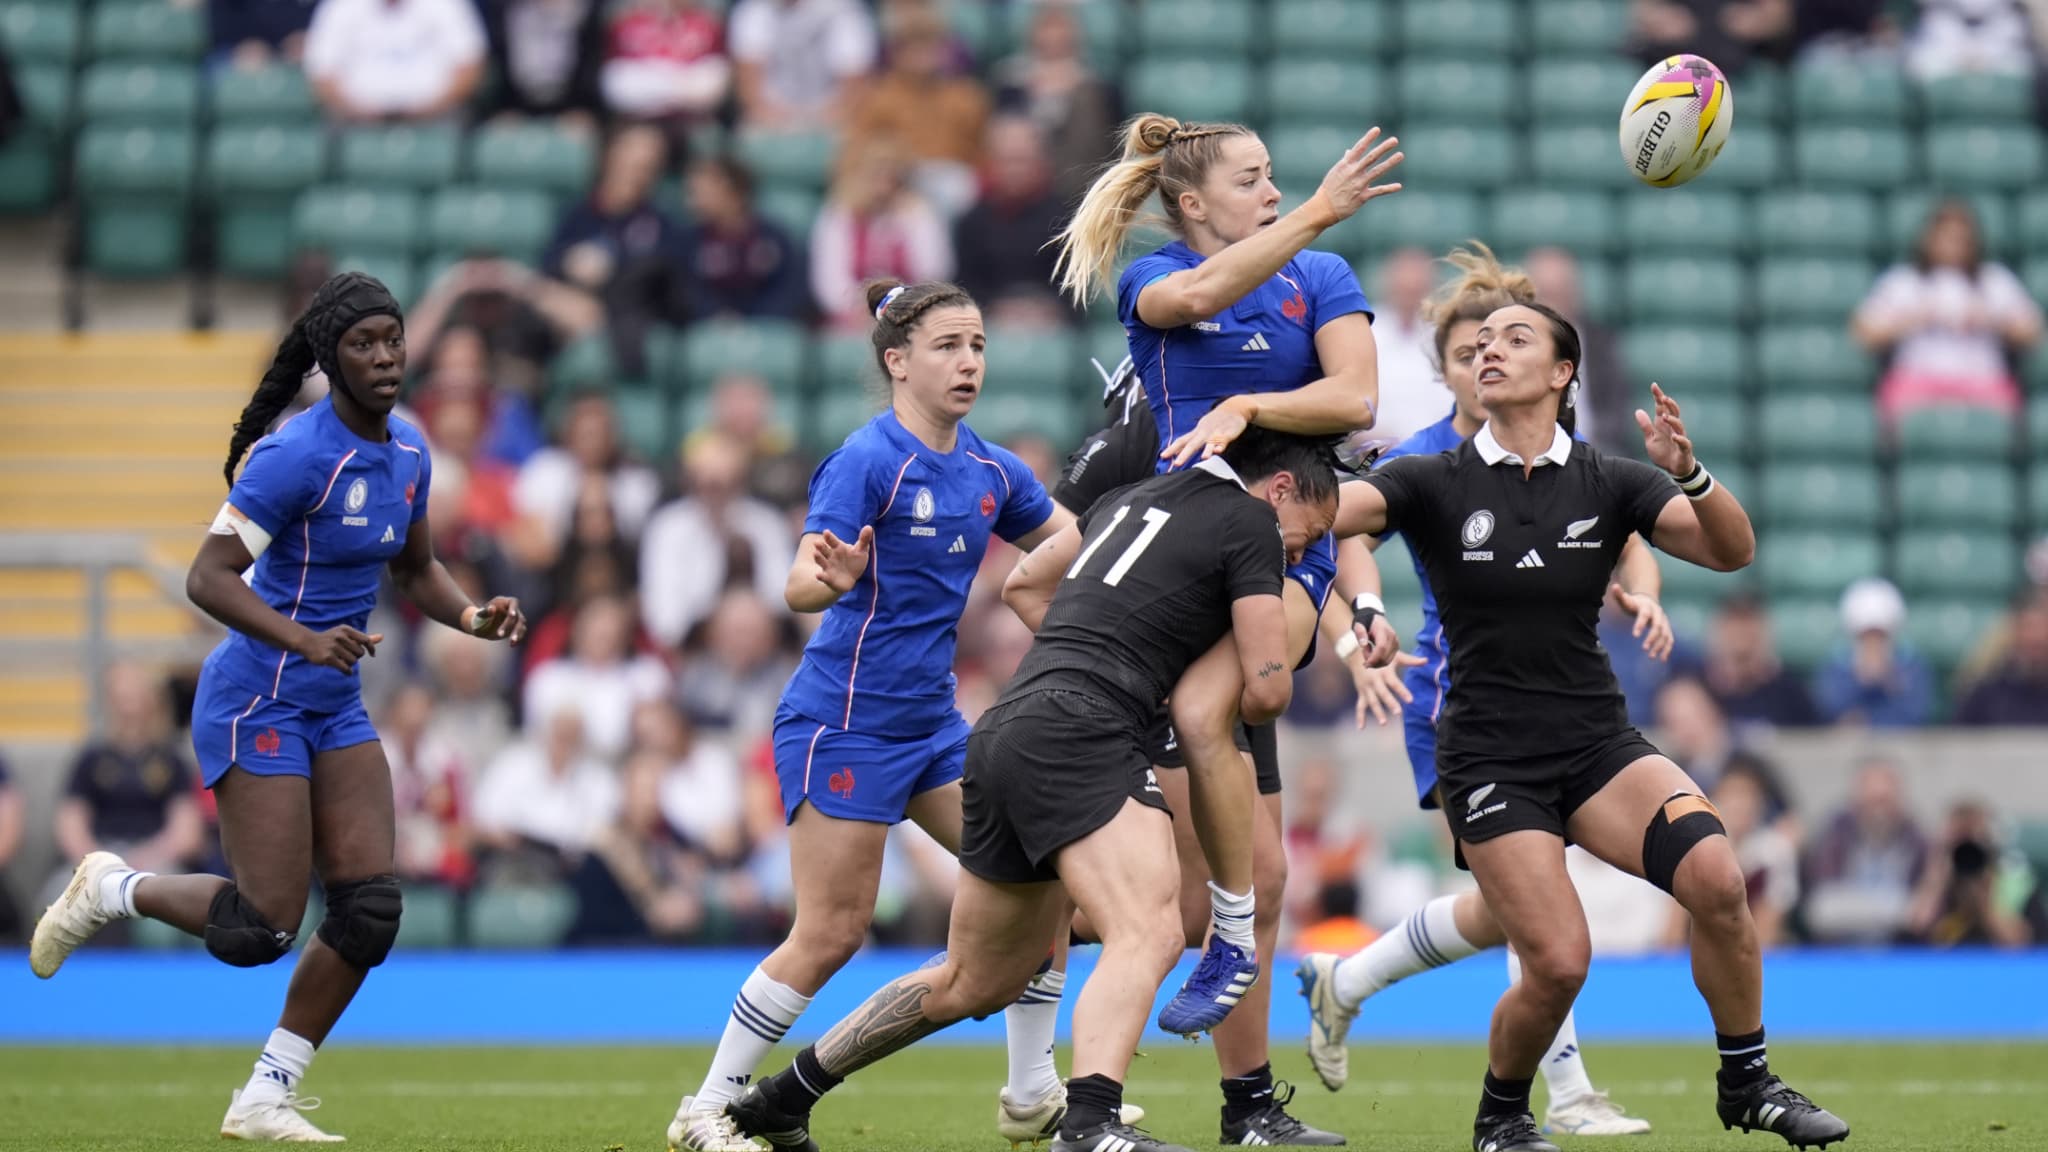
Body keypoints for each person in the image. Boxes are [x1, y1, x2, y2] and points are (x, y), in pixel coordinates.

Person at [1324, 299, 1848, 1152]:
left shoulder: (1609, 478)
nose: (1491, 349)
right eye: (1482, 341)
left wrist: (1691, 474)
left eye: (1515, 338)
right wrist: (1347, 579)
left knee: (1718, 877)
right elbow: (1328, 520)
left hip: (1597, 744)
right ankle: (1501, 1119)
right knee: (1560, 962)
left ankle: (1747, 1083)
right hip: (1490, 755)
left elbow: (1730, 550)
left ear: (1563, 373)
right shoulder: (1432, 478)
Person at [723, 429, 1340, 1152]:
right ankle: (1089, 1124)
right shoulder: (1254, 526)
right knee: (1150, 929)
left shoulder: (1127, 498)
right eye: (1312, 534)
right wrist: (1248, 653)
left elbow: (1023, 584)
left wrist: (1123, 650)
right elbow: (1265, 695)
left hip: (1005, 727)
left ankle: (780, 1097)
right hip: (1085, 731)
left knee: (974, 979)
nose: (1303, 552)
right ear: (1280, 489)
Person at [29, 272, 528, 1143]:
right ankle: (114, 887)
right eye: (363, 344)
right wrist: (304, 639)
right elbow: (206, 577)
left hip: (332, 701)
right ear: (330, 359)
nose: (383, 357)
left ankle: (266, 1093)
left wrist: (472, 615)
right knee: (261, 928)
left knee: (370, 909)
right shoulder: (295, 454)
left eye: (392, 339)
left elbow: (414, 571)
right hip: (255, 693)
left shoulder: (409, 451)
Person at [665, 279, 1090, 1152]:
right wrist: (830, 580)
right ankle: (707, 1106)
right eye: (947, 346)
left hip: (933, 730)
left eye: (976, 345)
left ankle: (1032, 1092)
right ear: (897, 361)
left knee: (1044, 877)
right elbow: (793, 584)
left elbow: (1072, 537)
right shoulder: (867, 460)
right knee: (831, 931)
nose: (969, 361)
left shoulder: (989, 470)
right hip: (843, 723)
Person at [1045, 110, 1400, 1145]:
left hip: (1286, 544)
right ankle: (1094, 1058)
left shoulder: (1321, 274)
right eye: (1252, 180)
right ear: (1191, 202)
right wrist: (1320, 215)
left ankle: (1244, 1091)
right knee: (1200, 884)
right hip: (1177, 561)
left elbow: (1354, 395)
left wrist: (1250, 401)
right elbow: (1199, 294)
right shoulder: (1149, 280)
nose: (1277, 193)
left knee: (1229, 712)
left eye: (1278, 177)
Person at [1298, 245, 1664, 1138]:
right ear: (1445, 369)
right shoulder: (1423, 460)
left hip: (1557, 704)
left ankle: (1345, 981)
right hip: (1454, 703)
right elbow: (1345, 541)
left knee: (1513, 909)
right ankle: (1569, 1094)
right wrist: (1362, 628)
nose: (1483, 362)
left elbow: (1626, 527)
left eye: (1498, 345)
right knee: (1535, 908)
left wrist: (1644, 590)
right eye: (1466, 353)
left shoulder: (1563, 456)